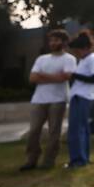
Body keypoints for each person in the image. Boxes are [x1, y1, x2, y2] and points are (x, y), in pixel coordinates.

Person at [19, 29, 76, 171]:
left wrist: (43, 76)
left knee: (54, 132)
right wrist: (54, 77)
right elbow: (32, 78)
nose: (53, 43)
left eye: (56, 40)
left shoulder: (69, 59)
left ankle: (48, 161)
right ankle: (31, 159)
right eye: (51, 40)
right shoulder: (41, 59)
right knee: (33, 131)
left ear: (63, 42)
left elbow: (66, 77)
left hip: (58, 99)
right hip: (38, 99)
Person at [65, 31, 94, 168]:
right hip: (79, 95)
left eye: (78, 50)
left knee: (76, 128)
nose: (77, 53)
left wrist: (75, 76)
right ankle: (83, 157)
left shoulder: (92, 59)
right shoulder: (84, 60)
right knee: (83, 128)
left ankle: (78, 159)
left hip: (83, 96)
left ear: (85, 48)